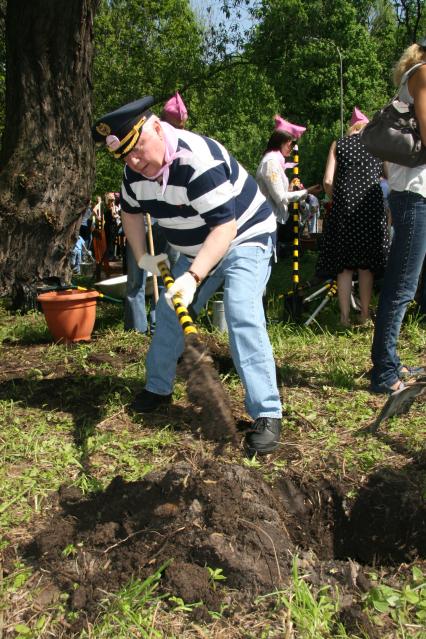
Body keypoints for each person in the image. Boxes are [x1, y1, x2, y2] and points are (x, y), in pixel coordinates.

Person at [92, 96, 282, 455]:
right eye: (125, 156)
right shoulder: (134, 173)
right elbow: (131, 214)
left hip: (245, 235)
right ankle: (158, 388)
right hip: (197, 248)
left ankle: (267, 413)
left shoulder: (197, 161)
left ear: (159, 128)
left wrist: (192, 279)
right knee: (167, 313)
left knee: (241, 313)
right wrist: (145, 257)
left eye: (138, 149)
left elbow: (224, 228)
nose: (134, 161)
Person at [370, 39, 426, 393]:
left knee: (408, 284)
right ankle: (384, 371)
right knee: (402, 286)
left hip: (414, 194)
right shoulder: (422, 74)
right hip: (415, 196)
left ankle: (389, 362)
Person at [318, 106, 390, 327]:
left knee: (345, 266)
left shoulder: (338, 144)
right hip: (370, 207)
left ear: (351, 129)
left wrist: (338, 197)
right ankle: (365, 314)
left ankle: (343, 317)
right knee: (366, 265)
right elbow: (389, 177)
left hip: (344, 207)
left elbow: (328, 181)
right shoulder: (378, 145)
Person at [256, 115, 321, 243]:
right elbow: (280, 197)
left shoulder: (274, 162)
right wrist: (307, 192)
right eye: (290, 144)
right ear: (282, 142)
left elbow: (277, 193)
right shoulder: (271, 163)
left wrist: (290, 188)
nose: (291, 149)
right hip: (267, 221)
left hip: (271, 220)